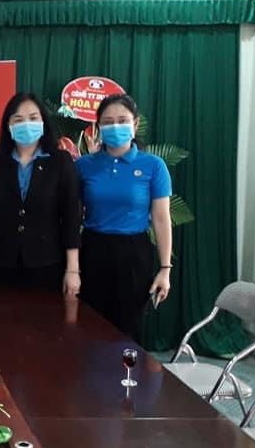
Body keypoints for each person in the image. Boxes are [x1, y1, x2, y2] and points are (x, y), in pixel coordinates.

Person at [76, 93, 172, 340]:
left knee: (128, 329)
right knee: (90, 325)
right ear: (98, 126)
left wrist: (165, 269)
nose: (115, 127)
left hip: (134, 254)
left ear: (135, 124)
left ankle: (129, 367)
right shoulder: (84, 165)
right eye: (108, 122)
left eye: (122, 120)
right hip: (93, 250)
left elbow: (161, 219)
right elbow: (72, 215)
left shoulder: (153, 165)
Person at [0, 92, 81, 294]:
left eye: (33, 118)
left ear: (43, 122)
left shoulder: (60, 161)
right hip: (2, 265)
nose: (27, 124)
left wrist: (73, 269)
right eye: (18, 119)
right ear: (9, 125)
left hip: (47, 264)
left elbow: (71, 217)